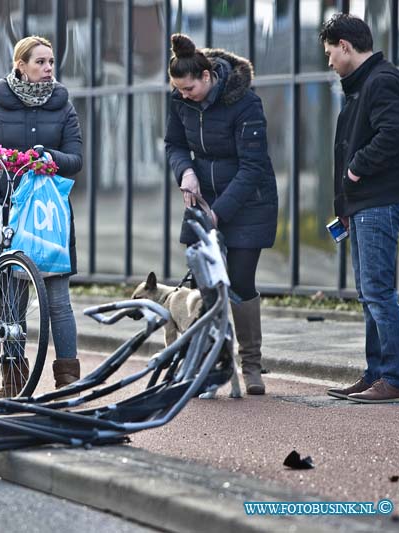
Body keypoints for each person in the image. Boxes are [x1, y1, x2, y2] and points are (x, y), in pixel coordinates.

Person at [0, 35, 83, 396]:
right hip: (8, 211)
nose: (48, 69)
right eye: (40, 62)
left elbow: (77, 159)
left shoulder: (63, 104)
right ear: (20, 66)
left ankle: (69, 379)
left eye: (51, 62)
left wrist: (51, 157)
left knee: (58, 299)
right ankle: (13, 377)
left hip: (49, 215)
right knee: (13, 298)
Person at [164, 33, 278, 395]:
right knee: (204, 288)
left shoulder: (245, 103)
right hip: (203, 199)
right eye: (179, 90)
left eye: (190, 88)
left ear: (208, 76)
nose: (185, 95)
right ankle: (209, 364)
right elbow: (174, 144)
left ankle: (252, 365)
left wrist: (219, 214)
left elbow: (253, 166)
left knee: (240, 283)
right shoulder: (179, 101)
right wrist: (185, 172)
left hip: (249, 202)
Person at [320, 14, 399, 403]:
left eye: (330, 53)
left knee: (378, 291)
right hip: (362, 205)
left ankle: (394, 379)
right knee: (368, 293)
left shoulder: (382, 81)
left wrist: (358, 168)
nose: (329, 62)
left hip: (379, 202)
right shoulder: (362, 87)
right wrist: (344, 204)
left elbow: (397, 136)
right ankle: (377, 373)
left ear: (345, 45)